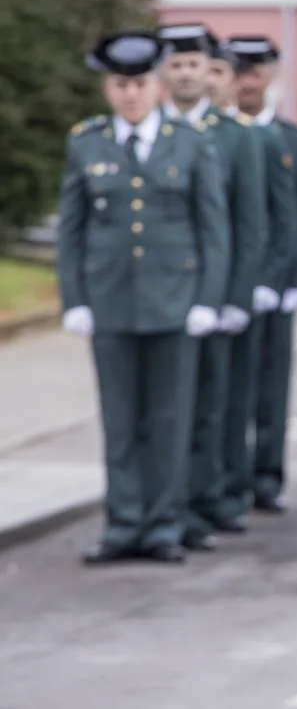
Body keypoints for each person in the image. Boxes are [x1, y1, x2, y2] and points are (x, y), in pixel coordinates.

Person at [57, 31, 230, 564]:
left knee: (170, 419)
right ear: (108, 89)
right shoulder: (86, 142)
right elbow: (73, 229)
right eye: (120, 85)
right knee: (119, 419)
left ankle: (163, 524)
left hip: (174, 303)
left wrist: (207, 298)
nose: (130, 94)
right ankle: (123, 523)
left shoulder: (190, 141)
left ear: (154, 86)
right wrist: (75, 299)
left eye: (138, 84)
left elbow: (212, 228)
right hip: (110, 303)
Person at [158, 23, 268, 550]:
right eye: (175, 64)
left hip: (214, 295)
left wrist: (235, 297)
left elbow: (248, 227)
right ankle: (164, 505)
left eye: (194, 64)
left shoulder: (234, 136)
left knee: (210, 409)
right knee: (162, 410)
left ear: (208, 73)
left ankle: (205, 503)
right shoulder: (150, 132)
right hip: (160, 298)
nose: (185, 73)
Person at [225, 34, 297, 515]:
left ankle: (266, 475)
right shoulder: (217, 136)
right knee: (228, 387)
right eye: (239, 73)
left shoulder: (295, 141)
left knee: (271, 387)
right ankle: (230, 476)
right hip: (230, 287)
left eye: (255, 72)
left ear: (269, 77)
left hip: (278, 285)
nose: (247, 82)